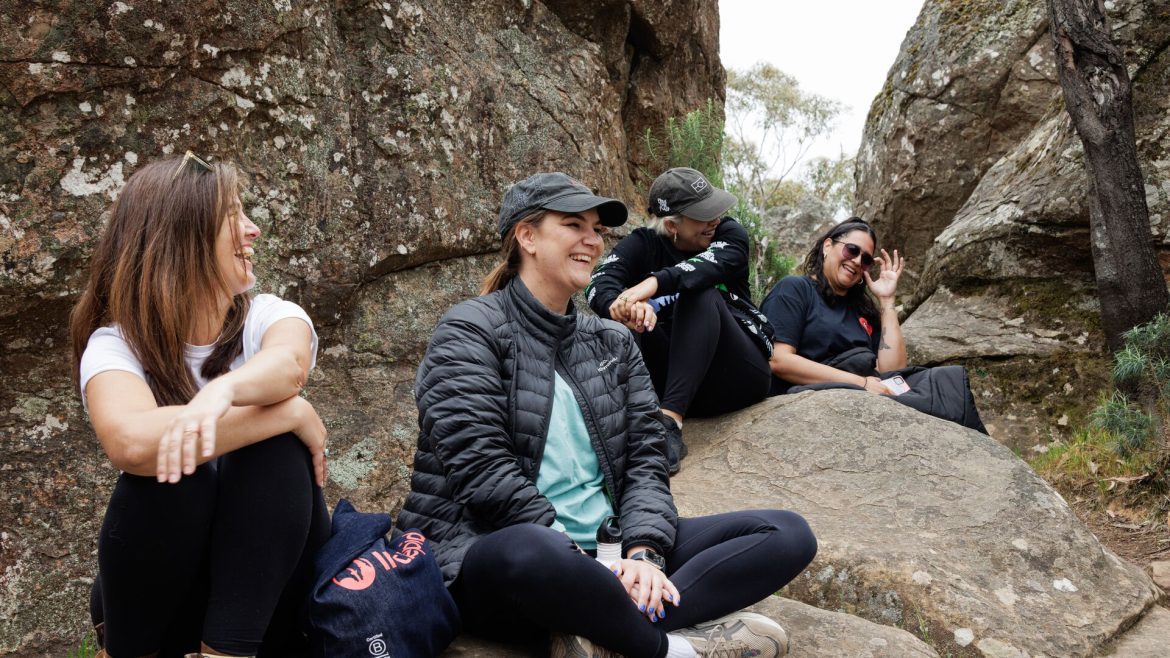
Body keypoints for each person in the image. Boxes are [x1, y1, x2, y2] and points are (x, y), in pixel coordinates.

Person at [397, 172, 817, 658]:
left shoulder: (611, 342)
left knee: (785, 533)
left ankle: (598, 633)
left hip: (607, 547)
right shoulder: (470, 331)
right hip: (496, 552)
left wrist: (643, 554)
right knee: (533, 551)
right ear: (527, 236)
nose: (593, 240)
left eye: (597, 229)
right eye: (574, 225)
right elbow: (482, 470)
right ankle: (666, 649)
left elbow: (645, 459)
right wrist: (581, 561)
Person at [69, 153, 330, 658]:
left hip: (266, 601)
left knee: (272, 451)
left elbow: (289, 365)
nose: (252, 230)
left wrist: (221, 393)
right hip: (167, 606)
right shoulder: (115, 343)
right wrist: (290, 413)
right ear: (182, 236)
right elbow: (129, 442)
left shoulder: (270, 316)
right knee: (173, 467)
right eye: (234, 216)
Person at [586, 167, 774, 473]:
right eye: (704, 214)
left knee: (699, 293)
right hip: (677, 379)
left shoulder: (729, 234)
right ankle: (633, 422)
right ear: (672, 224)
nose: (715, 219)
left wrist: (652, 284)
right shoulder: (643, 243)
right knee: (622, 323)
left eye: (715, 209)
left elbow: (708, 267)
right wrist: (622, 307)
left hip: (738, 375)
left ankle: (670, 422)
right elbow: (598, 283)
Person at [761, 217, 987, 433]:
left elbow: (894, 371)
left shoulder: (861, 309)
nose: (858, 261)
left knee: (946, 381)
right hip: (816, 393)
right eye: (852, 249)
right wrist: (862, 383)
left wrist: (887, 301)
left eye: (866, 259)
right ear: (827, 246)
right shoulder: (795, 289)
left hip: (865, 389)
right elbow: (779, 360)